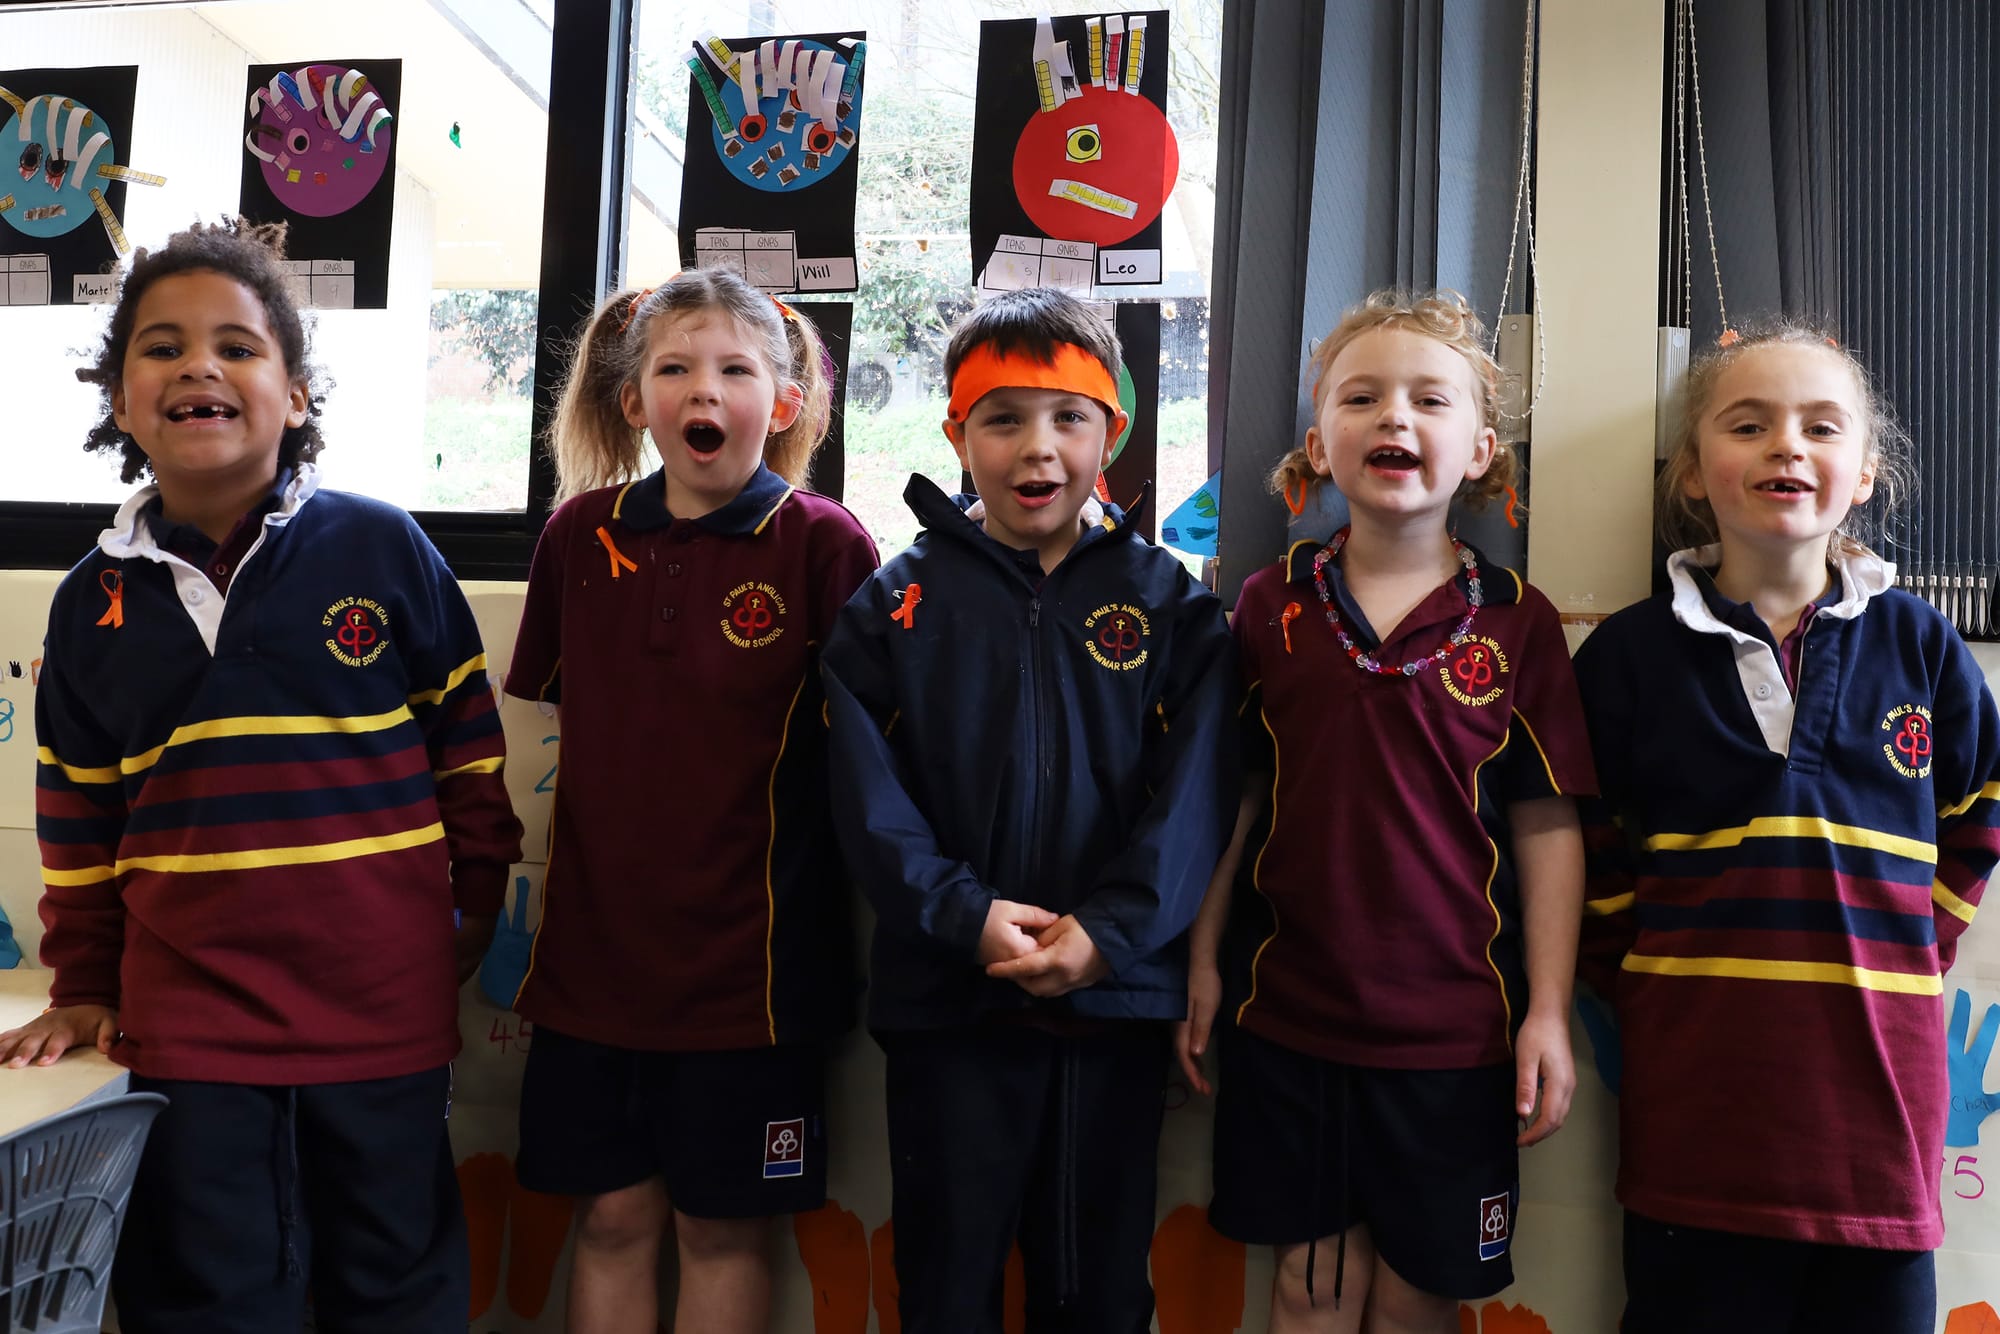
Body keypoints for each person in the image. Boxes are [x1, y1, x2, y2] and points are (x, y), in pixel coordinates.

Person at [0, 217, 523, 1333]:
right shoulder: (90, 602)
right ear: (123, 404)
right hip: (187, 1032)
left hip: (379, 1017)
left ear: (294, 395)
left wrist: (469, 905)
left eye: (238, 346)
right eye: (163, 347)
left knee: (395, 1290)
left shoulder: (382, 548)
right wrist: (85, 986)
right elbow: (79, 826)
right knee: (208, 1298)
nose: (199, 364)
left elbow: (469, 753)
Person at [821, 286, 1237, 1333]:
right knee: (947, 1281)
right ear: (957, 435)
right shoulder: (893, 604)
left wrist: (1110, 933)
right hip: (952, 1004)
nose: (1035, 447)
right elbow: (870, 802)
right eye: (1001, 418)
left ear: (1115, 432)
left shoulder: (1170, 604)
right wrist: (964, 916)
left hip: (1112, 1007)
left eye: (1068, 418)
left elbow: (1196, 795)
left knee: (1095, 1288)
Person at [1178, 290, 1594, 1334]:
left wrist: (1547, 1006)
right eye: (1360, 398)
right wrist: (1197, 957)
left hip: (1454, 1039)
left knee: (1415, 1294)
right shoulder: (1265, 605)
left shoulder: (1517, 622)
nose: (1393, 419)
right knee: (1308, 1287)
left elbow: (1546, 828)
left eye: (1427, 399)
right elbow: (1233, 800)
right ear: (1318, 442)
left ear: (1480, 450)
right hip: (1289, 1025)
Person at [1571, 325, 2000, 1334]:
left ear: (1862, 475)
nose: (1784, 446)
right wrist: (1634, 961)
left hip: (1876, 1142)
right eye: (1747, 423)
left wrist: (1922, 935)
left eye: (1818, 426)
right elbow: (1575, 827)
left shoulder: (1918, 642)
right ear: (1691, 474)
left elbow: (1980, 798)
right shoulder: (1630, 653)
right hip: (1692, 1135)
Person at [503, 267, 877, 1334]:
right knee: (613, 1221)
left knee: (722, 1230)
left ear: (784, 400)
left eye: (733, 369)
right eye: (674, 367)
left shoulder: (824, 543)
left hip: (752, 982)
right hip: (590, 973)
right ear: (636, 402)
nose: (701, 388)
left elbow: (868, 755)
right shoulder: (577, 537)